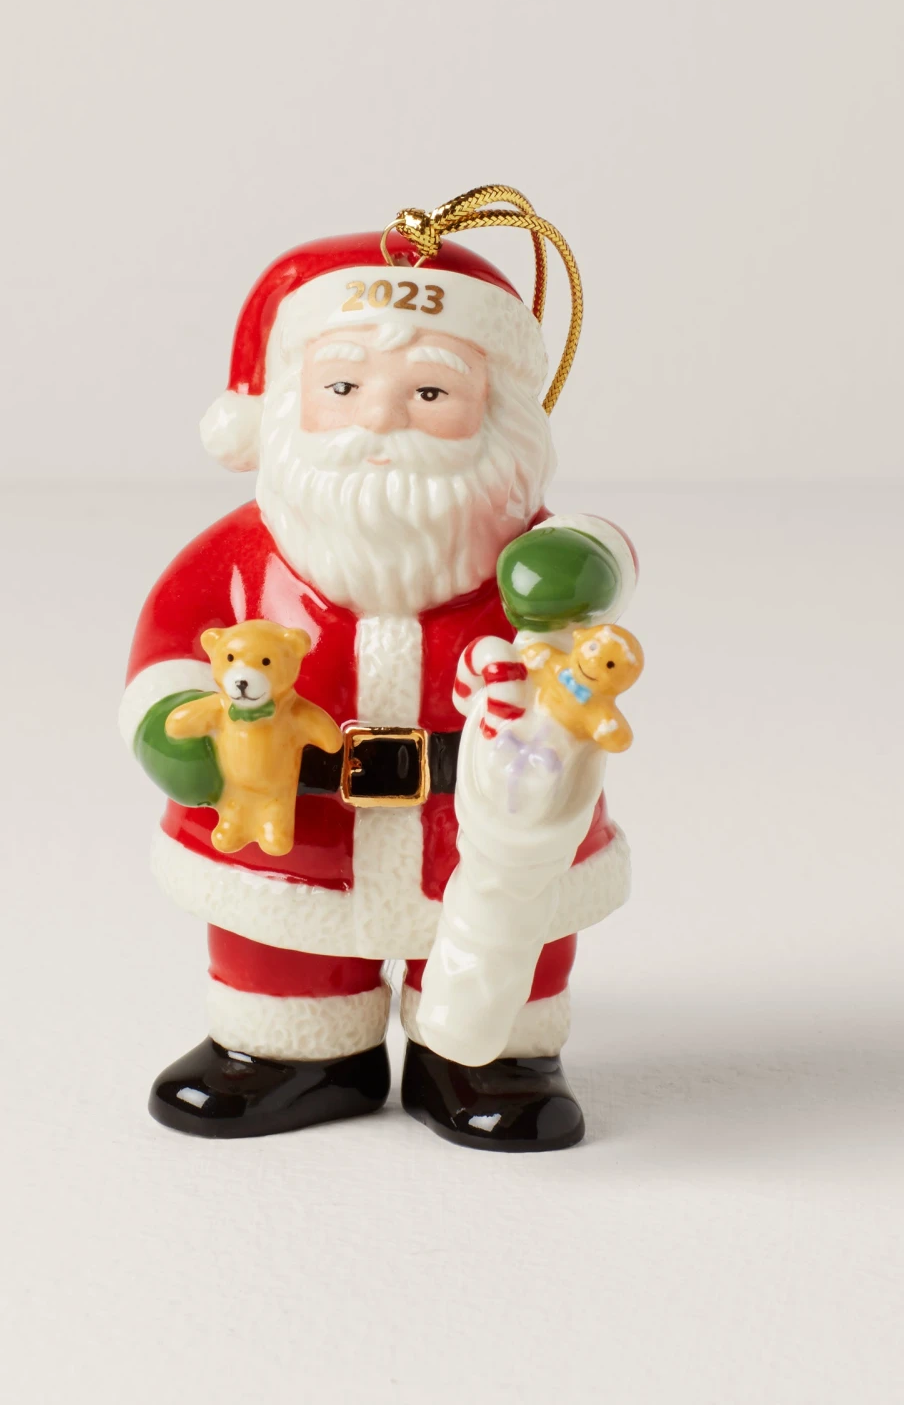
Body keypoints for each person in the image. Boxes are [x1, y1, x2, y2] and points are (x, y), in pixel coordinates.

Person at [120, 228, 637, 1149]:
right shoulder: (244, 561)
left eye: (431, 393)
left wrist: (588, 564)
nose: (381, 421)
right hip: (296, 825)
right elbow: (171, 646)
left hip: (486, 813)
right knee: (281, 941)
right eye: (343, 388)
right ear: (287, 405)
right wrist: (169, 726)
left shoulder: (531, 558)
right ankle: (288, 1050)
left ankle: (489, 1058)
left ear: (498, 412)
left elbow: (601, 570)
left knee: (508, 939)